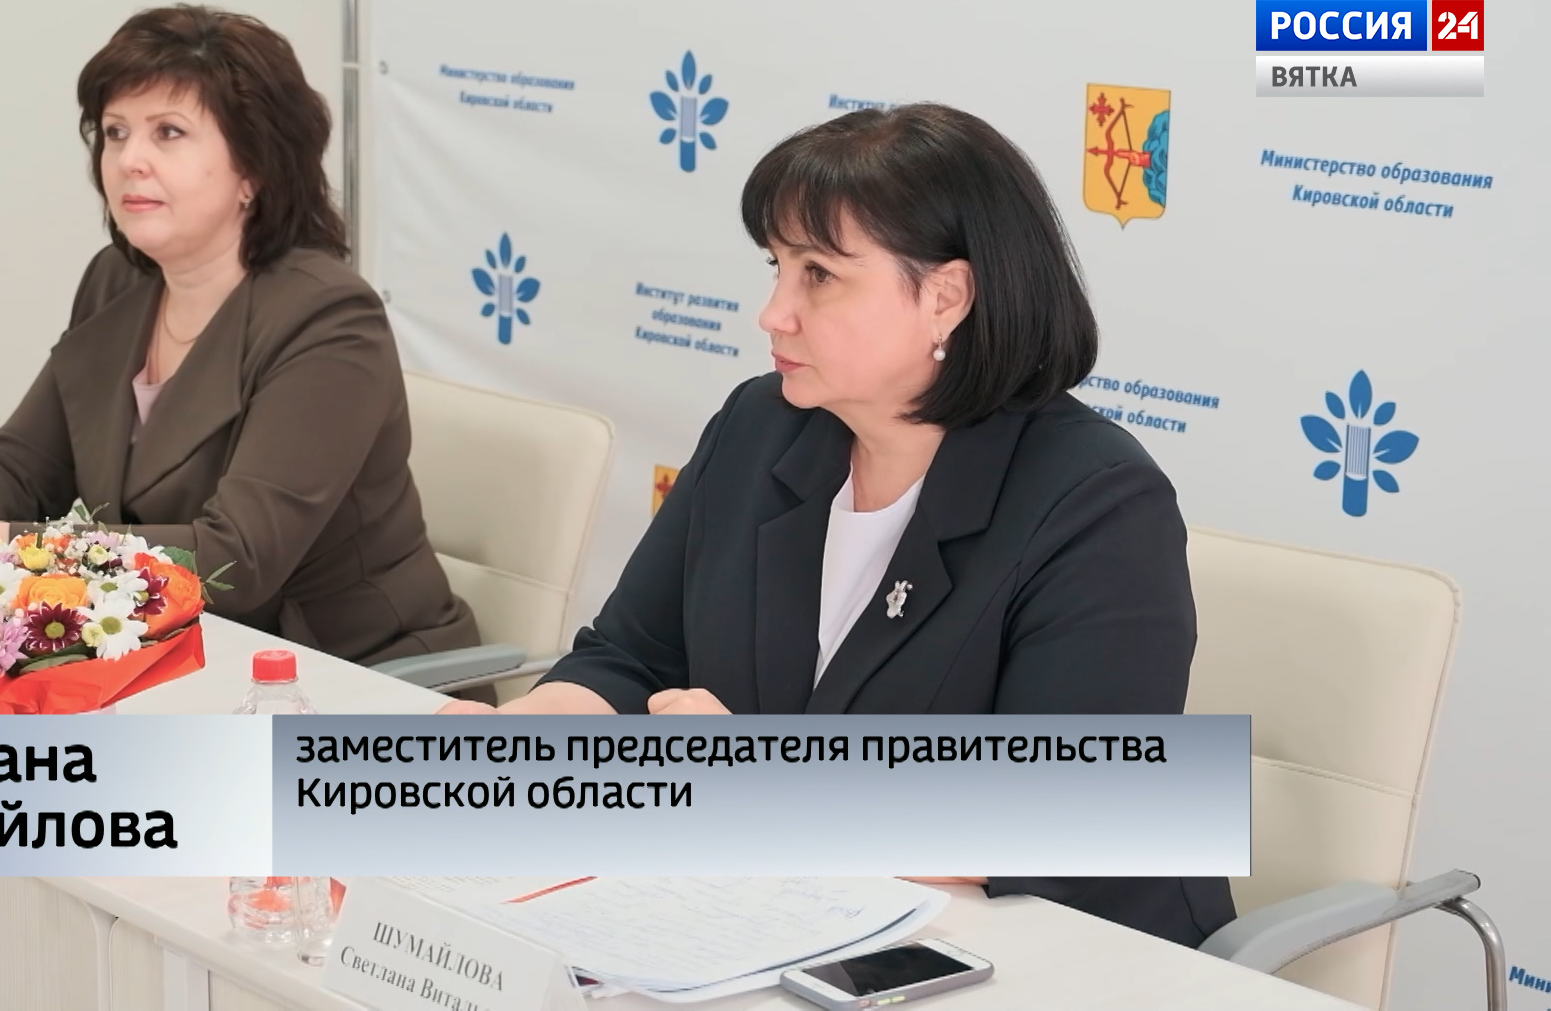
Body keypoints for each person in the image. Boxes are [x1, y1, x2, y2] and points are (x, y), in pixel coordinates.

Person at [438, 103, 1236, 949]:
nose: (774, 313)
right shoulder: (760, 427)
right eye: (777, 267)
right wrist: (531, 740)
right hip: (791, 917)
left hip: (1059, 954)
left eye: (818, 274)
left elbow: (1068, 812)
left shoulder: (1096, 499)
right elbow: (631, 658)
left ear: (945, 297)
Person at [0, 4, 478, 668]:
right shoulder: (118, 279)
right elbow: (24, 465)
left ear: (255, 167)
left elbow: (236, 561)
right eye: (115, 133)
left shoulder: (328, 316)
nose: (128, 160)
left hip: (346, 674)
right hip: (173, 652)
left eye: (168, 133)